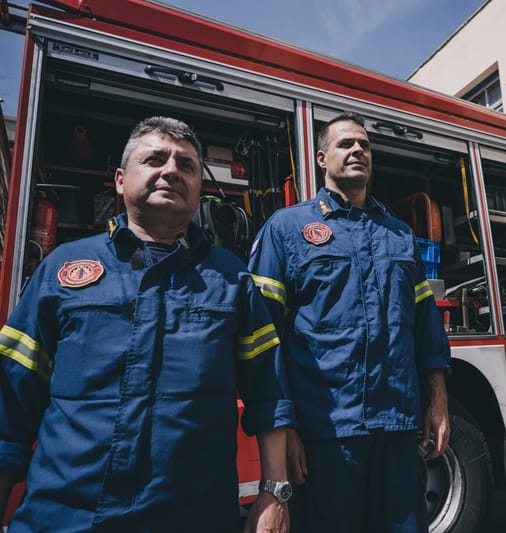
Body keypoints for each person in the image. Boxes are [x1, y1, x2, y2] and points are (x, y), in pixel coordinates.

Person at [0, 116, 293, 532]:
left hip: (194, 518)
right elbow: (9, 401)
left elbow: (270, 392)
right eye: (154, 159)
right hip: (66, 519)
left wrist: (274, 491)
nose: (171, 170)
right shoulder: (62, 269)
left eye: (186, 165)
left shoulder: (232, 278)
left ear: (198, 189)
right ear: (121, 180)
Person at [248, 111, 451, 532]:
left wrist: (438, 399)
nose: (357, 149)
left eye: (364, 144)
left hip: (397, 430)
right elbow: (263, 339)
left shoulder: (398, 235)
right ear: (322, 158)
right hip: (325, 435)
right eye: (345, 144)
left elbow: (425, 326)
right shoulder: (287, 229)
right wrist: (285, 429)